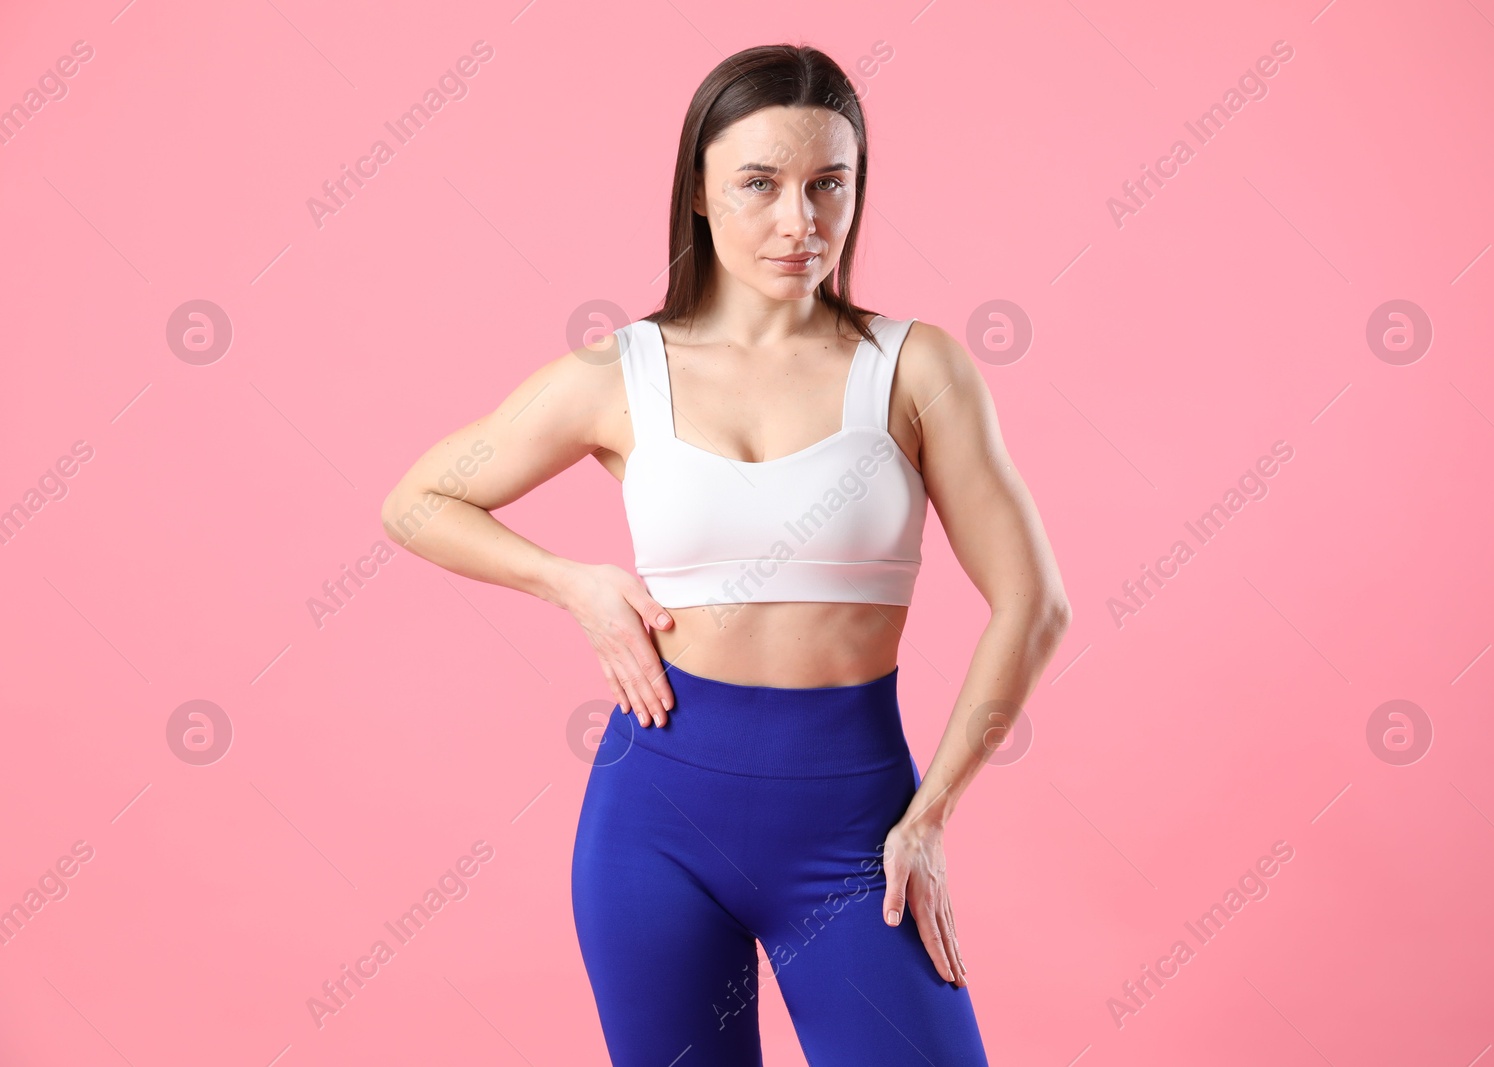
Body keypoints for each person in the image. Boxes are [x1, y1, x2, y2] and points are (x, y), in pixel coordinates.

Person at [380, 42, 1070, 1067]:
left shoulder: (916, 369)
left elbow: (1032, 604)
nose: (801, 221)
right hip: (653, 821)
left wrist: (931, 814)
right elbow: (416, 500)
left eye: (828, 184)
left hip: (856, 830)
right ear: (699, 191)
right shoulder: (616, 373)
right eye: (760, 185)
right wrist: (575, 583)